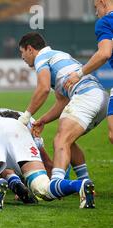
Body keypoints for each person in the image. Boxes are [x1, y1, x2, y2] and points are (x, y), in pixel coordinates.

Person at [17, 32, 107, 204]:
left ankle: (55, 184)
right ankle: (84, 182)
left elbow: (43, 89)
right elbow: (63, 102)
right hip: (100, 98)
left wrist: (26, 116)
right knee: (69, 141)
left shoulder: (41, 58)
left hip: (86, 96)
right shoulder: (59, 55)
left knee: (60, 140)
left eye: (22, 52)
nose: (22, 57)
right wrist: (43, 119)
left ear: (30, 49)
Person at [65, 0, 113, 144]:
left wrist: (79, 74)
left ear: (102, 2)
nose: (96, 12)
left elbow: (104, 53)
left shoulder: (106, 22)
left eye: (95, 7)